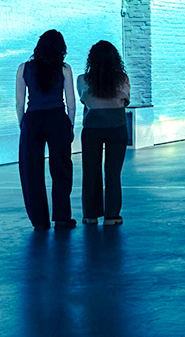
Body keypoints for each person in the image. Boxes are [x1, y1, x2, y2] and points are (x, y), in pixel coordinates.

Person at [16, 30, 77, 230]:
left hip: (32, 120)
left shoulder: (24, 68)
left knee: (31, 171)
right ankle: (62, 218)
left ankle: (39, 221)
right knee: (61, 168)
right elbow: (71, 103)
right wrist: (70, 125)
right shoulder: (64, 69)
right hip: (57, 118)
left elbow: (19, 103)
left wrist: (23, 124)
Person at [77, 40, 131, 226]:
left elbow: (84, 99)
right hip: (117, 126)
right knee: (113, 172)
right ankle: (112, 216)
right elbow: (126, 100)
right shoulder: (122, 79)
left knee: (90, 171)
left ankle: (90, 215)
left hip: (92, 127)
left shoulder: (83, 80)